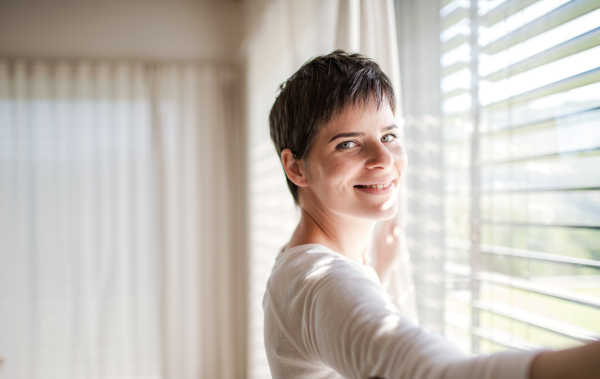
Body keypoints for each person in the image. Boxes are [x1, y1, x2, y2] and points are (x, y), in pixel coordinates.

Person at [263, 50, 600, 379]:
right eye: (347, 143)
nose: (384, 158)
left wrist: (379, 269)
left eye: (389, 136)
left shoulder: (299, 261)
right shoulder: (316, 280)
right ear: (296, 168)